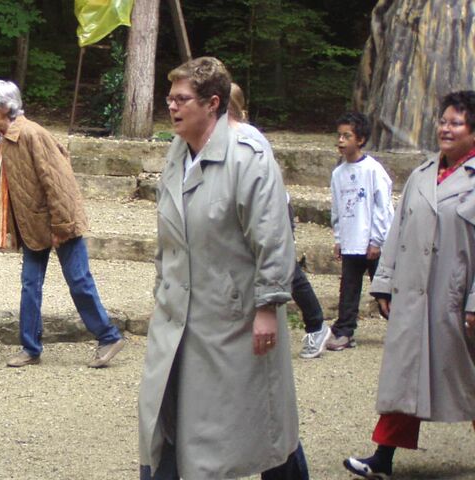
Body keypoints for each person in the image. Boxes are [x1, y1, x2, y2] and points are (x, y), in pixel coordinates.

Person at [138, 57, 308, 479]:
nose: (171, 106)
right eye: (170, 98)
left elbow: (273, 237)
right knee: (169, 417)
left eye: (182, 99)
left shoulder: (249, 157)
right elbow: (168, 238)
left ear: (212, 103)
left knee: (258, 422)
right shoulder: (177, 153)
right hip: (179, 315)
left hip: (234, 319)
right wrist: (162, 290)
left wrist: (267, 306)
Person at [343, 90, 475, 478]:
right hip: (415, 296)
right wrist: (384, 282)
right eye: (443, 121)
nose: (445, 129)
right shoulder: (422, 174)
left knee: (469, 376)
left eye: (456, 123)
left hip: (456, 297)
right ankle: (382, 458)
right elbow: (397, 231)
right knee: (406, 373)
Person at [0, 79, 124, 368]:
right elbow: (10, 188)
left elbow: (58, 182)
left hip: (58, 220)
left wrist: (62, 226)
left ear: (4, 106)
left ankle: (109, 337)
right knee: (30, 284)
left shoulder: (32, 134)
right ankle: (30, 348)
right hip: (33, 224)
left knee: (78, 281)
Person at [229, 84, 330, 359]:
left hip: (271, 208)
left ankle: (316, 323)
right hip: (248, 209)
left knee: (284, 266)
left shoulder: (248, 136)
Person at [326, 112, 394, 350]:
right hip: (351, 241)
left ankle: (403, 328)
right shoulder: (338, 173)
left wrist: (376, 240)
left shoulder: (373, 170)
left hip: (373, 243)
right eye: (339, 136)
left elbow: (383, 207)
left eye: (347, 136)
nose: (341, 141)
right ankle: (345, 331)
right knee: (349, 288)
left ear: (360, 139)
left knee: (384, 289)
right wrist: (339, 238)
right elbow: (337, 208)